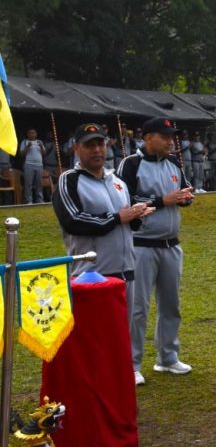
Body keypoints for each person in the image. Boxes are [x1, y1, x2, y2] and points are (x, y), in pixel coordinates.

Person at [117, 117, 195, 387]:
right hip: (141, 245)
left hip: (171, 244)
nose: (171, 141)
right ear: (148, 137)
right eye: (165, 136)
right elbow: (124, 199)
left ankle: (168, 357)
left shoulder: (173, 163)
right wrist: (164, 200)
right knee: (137, 308)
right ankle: (131, 364)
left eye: (172, 136)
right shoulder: (131, 164)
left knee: (171, 304)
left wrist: (185, 197)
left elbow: (183, 189)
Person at [52, 123, 154, 322]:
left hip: (125, 273)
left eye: (100, 144)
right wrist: (117, 217)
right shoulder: (69, 180)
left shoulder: (117, 181)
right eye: (89, 145)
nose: (97, 150)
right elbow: (73, 220)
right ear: (77, 148)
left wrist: (137, 215)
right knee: (98, 335)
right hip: (92, 276)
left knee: (127, 334)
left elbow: (127, 222)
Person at [19, 128, 46, 203]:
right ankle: (29, 200)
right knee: (28, 184)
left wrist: (41, 146)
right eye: (30, 133)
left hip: (39, 165)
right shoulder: (24, 142)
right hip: (28, 164)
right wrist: (27, 147)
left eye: (33, 133)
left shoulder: (39, 142)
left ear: (36, 134)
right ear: (27, 134)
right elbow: (21, 154)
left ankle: (40, 200)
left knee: (39, 183)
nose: (32, 134)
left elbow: (44, 153)